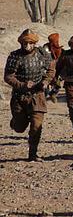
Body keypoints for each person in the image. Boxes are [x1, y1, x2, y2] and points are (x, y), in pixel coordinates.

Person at [4, 29, 55, 161]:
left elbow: (51, 69)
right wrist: (22, 85)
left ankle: (33, 154)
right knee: (20, 128)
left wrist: (46, 81)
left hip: (37, 95)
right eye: (25, 43)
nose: (27, 46)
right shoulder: (15, 56)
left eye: (30, 43)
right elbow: (8, 76)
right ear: (21, 43)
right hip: (19, 97)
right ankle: (15, 122)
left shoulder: (42, 54)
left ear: (35, 43)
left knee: (36, 125)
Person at [42, 33, 64, 103]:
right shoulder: (45, 48)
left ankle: (53, 94)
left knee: (57, 84)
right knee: (45, 84)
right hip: (47, 69)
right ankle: (43, 99)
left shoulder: (60, 50)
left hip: (57, 69)